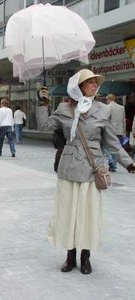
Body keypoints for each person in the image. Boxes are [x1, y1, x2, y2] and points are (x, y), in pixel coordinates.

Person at [45, 69, 135, 275]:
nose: (95, 86)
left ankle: (85, 257)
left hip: (91, 168)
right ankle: (70, 255)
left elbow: (112, 142)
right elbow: (45, 125)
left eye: (96, 83)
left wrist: (128, 163)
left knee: (87, 215)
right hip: (68, 168)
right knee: (68, 214)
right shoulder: (64, 107)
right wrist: (44, 104)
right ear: (79, 87)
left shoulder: (103, 110)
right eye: (90, 83)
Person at [102, 94, 126, 172]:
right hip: (119, 130)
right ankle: (114, 166)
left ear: (108, 99)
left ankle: (110, 159)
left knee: (105, 147)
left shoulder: (107, 107)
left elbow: (105, 119)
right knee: (116, 148)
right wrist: (124, 130)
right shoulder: (121, 107)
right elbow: (123, 120)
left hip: (110, 131)